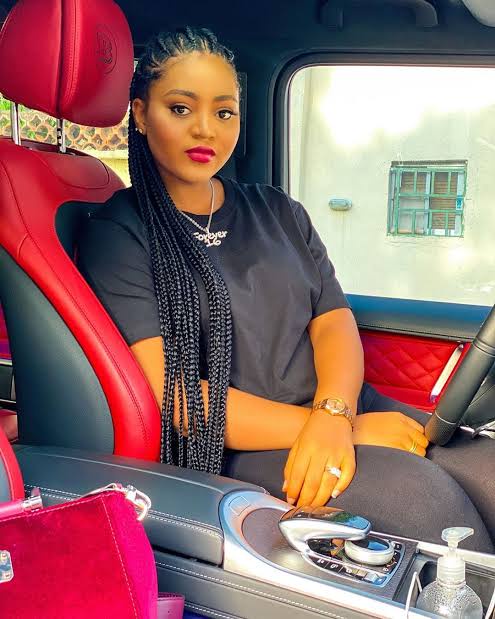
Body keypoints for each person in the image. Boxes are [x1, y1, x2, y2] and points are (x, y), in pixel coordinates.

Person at [78, 27, 495, 552]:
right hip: (235, 446)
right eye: (180, 108)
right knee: (425, 503)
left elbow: (332, 320)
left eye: (224, 112)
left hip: (337, 408)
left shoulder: (277, 209)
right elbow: (178, 397)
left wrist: (335, 414)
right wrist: (339, 430)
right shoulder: (120, 232)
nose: (205, 129)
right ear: (140, 114)